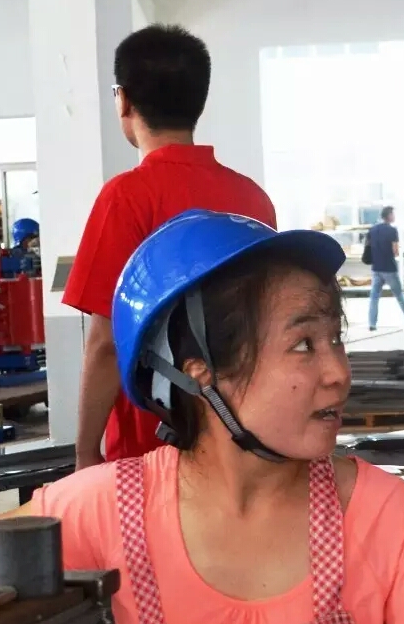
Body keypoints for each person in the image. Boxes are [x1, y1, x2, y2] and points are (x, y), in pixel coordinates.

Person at [0, 210, 404, 624]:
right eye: (303, 345)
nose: (339, 372)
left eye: (336, 339)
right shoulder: (100, 512)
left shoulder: (378, 512)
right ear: (199, 372)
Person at [63, 24, 277, 472]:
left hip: (152, 448)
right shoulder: (253, 200)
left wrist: (85, 451)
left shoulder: (126, 197)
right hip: (243, 438)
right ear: (199, 100)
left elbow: (106, 343)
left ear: (123, 100)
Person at [365, 206, 404, 331]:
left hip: (376, 268)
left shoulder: (372, 230)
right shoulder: (392, 230)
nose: (394, 216)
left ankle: (372, 323)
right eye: (393, 214)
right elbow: (395, 251)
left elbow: (368, 247)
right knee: (399, 295)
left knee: (374, 297)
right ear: (389, 216)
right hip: (389, 268)